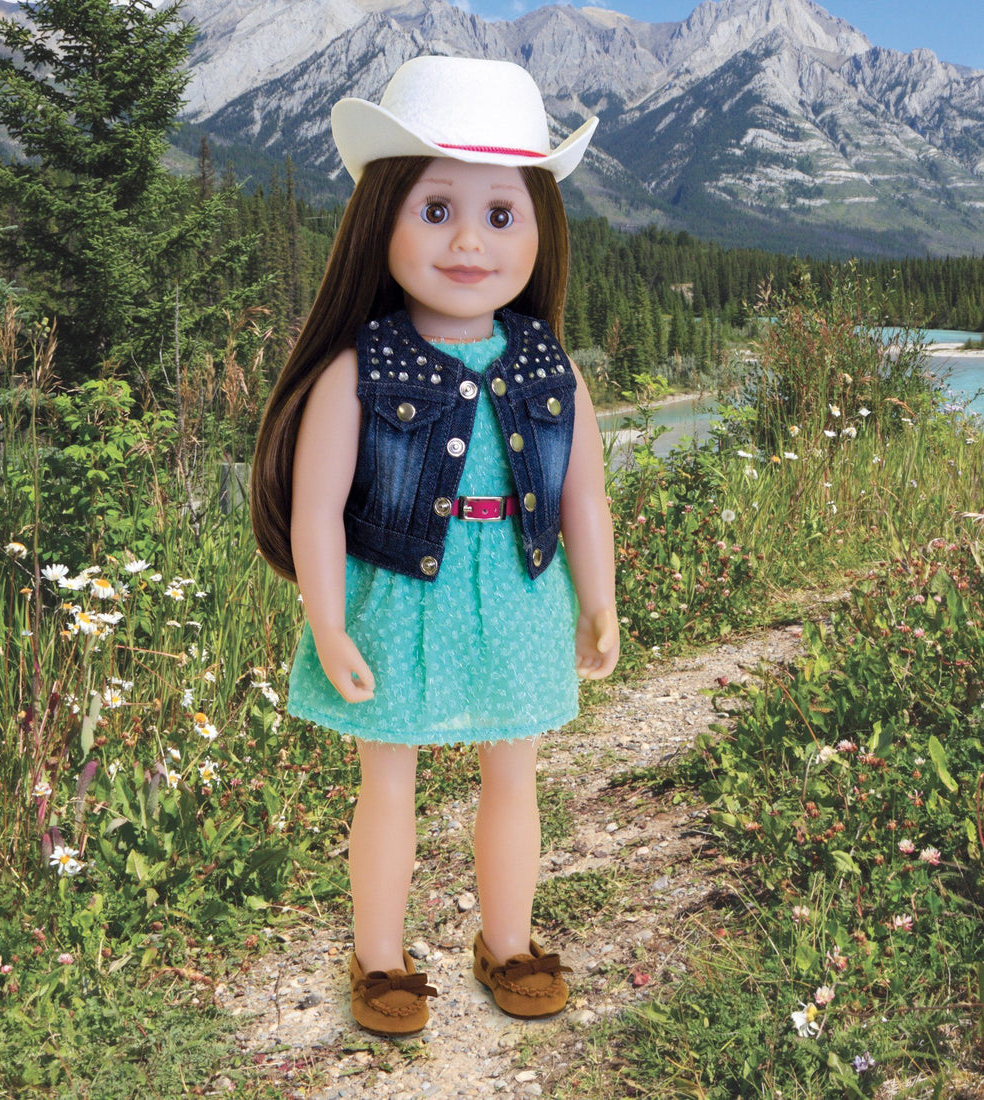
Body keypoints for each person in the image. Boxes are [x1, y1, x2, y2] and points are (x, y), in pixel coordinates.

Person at [250, 55, 619, 1037]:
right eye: (436, 209)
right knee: (388, 782)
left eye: (500, 214)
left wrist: (599, 600)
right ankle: (379, 957)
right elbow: (318, 510)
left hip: (520, 592)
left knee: (514, 777)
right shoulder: (359, 369)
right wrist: (327, 621)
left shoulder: (548, 364)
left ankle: (509, 941)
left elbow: (582, 492)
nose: (468, 241)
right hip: (398, 595)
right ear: (381, 221)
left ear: (540, 228)